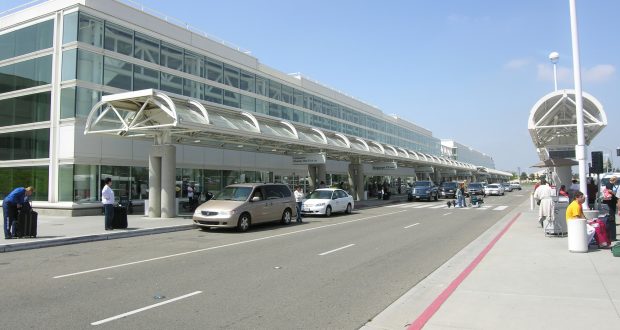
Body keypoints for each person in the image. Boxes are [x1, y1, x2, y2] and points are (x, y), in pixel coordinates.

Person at [603, 176, 618, 241]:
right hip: (611, 203)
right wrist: (615, 193)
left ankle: (612, 236)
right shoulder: (610, 185)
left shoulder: (608, 184)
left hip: (610, 202)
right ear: (614, 180)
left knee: (611, 217)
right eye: (616, 180)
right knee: (612, 218)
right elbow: (610, 191)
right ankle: (612, 237)